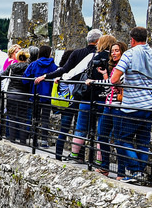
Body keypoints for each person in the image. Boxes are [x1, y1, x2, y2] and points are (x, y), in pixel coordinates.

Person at [109, 26, 152, 182]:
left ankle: (135, 171)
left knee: (122, 139)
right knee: (143, 140)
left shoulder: (129, 54)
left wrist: (120, 86)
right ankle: (140, 172)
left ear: (132, 40)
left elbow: (114, 79)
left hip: (133, 105)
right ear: (146, 38)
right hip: (151, 105)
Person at [34, 29, 103, 160]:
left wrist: (46, 76)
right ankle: (82, 157)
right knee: (89, 129)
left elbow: (64, 70)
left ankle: (59, 154)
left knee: (66, 126)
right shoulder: (99, 55)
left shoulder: (76, 53)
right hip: (91, 95)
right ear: (98, 41)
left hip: (73, 94)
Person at [67, 34, 116, 163]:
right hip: (106, 99)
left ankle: (74, 155)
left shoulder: (93, 56)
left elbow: (76, 70)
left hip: (88, 97)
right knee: (102, 133)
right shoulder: (114, 59)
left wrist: (63, 78)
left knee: (81, 127)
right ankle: (100, 161)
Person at [94, 41, 126, 174]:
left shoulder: (125, 68)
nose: (114, 53)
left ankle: (121, 172)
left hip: (119, 107)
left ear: (122, 52)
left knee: (118, 139)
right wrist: (104, 75)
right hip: (109, 106)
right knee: (102, 135)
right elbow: (109, 90)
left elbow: (119, 84)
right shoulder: (113, 68)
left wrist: (94, 81)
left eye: (117, 50)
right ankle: (105, 167)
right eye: (112, 51)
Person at [23, 45, 58, 146]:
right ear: (49, 53)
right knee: (45, 118)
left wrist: (31, 85)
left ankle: (34, 140)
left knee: (35, 117)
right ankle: (44, 141)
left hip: (35, 94)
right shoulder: (53, 66)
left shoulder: (33, 64)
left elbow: (25, 79)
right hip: (47, 95)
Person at [2, 49, 31, 144]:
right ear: (27, 57)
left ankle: (12, 139)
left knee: (12, 117)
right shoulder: (29, 67)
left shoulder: (12, 67)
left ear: (17, 57)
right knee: (23, 118)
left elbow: (0, 77)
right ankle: (23, 141)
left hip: (11, 94)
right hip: (24, 94)